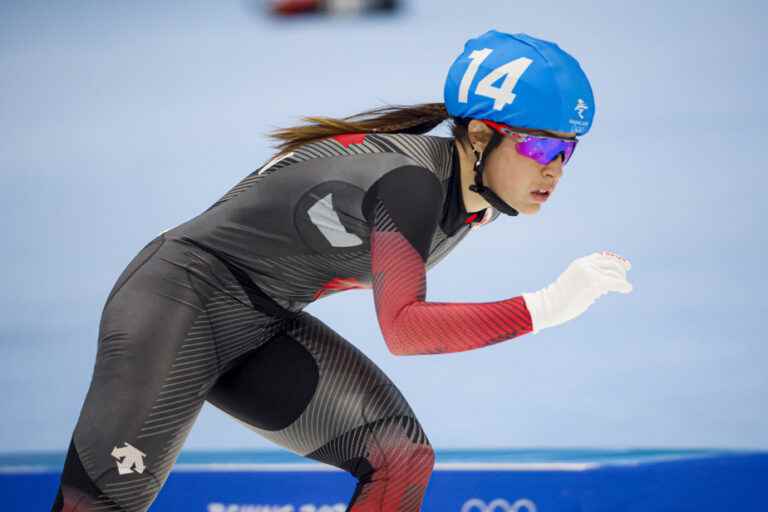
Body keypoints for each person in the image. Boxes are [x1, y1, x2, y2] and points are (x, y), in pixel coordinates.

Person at [52, 29, 633, 512]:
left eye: (567, 151)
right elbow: (405, 329)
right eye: (537, 148)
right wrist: (547, 306)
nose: (554, 169)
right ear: (479, 136)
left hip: (262, 321)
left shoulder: (473, 197)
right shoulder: (411, 183)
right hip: (175, 305)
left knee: (398, 457)